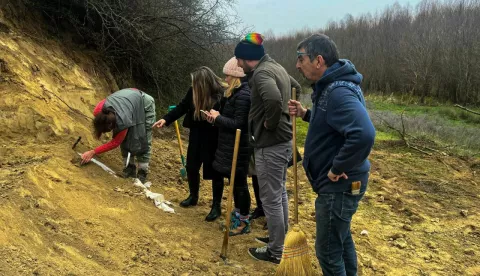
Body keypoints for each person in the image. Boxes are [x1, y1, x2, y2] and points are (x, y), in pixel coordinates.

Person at [288, 34, 375, 276]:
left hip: (339, 186)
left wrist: (337, 167)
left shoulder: (338, 92)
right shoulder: (332, 86)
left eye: (300, 58)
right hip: (342, 185)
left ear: (318, 60)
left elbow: (364, 134)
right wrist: (307, 114)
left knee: (327, 251)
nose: (297, 65)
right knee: (340, 238)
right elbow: (333, 123)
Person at [234, 32, 293, 264]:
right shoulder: (276, 67)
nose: (238, 63)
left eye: (239, 59)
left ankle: (276, 251)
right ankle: (279, 238)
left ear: (248, 58)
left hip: (271, 144)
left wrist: (271, 121)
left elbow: (273, 99)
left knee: (270, 198)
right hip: (282, 142)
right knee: (279, 193)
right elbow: (293, 85)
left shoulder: (261, 74)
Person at [153, 67, 226, 222]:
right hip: (196, 133)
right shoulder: (192, 91)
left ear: (204, 83)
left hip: (214, 136)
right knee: (191, 167)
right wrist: (166, 119)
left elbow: (226, 116)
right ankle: (193, 196)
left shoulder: (221, 94)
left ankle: (216, 206)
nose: (193, 86)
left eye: (196, 83)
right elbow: (182, 107)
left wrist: (216, 118)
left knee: (215, 172)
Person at [205, 57, 251, 236]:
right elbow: (228, 121)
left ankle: (243, 222)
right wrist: (215, 118)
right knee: (234, 183)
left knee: (239, 185)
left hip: (238, 147)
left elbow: (239, 123)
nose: (226, 79)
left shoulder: (244, 96)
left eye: (228, 76)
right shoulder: (234, 94)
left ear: (236, 76)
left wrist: (219, 118)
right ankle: (238, 216)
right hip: (228, 145)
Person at [81, 88, 156, 183]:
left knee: (142, 136)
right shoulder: (99, 111)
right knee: (125, 137)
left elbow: (116, 142)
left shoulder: (122, 121)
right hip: (129, 100)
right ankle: (129, 168)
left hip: (144, 103)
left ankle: (142, 172)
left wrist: (93, 152)